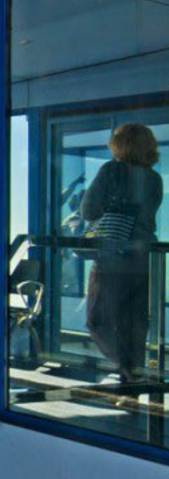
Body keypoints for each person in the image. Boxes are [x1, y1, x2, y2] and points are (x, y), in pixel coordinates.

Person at [81, 122, 163, 383]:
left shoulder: (110, 170)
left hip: (113, 258)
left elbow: (87, 211)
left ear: (120, 145)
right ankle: (133, 377)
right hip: (144, 260)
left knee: (98, 320)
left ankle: (125, 367)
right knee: (135, 324)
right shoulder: (154, 178)